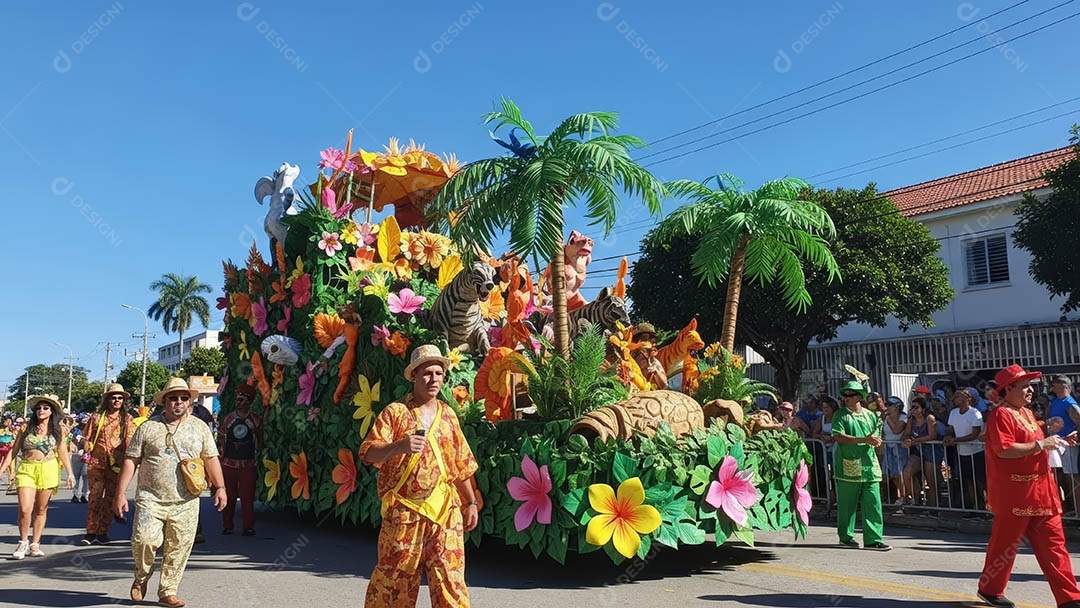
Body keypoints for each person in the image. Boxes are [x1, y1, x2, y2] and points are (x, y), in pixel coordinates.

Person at [359, 344, 480, 607]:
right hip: (404, 512)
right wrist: (399, 446)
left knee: (451, 581)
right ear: (413, 376)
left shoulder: (448, 415)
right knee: (394, 582)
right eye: (427, 373)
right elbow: (368, 453)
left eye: (438, 373)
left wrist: (470, 503)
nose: (434, 379)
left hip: (446, 512)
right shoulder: (395, 413)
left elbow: (460, 464)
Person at [115, 377, 227, 607]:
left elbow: (211, 458)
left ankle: (168, 591)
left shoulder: (200, 428)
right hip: (150, 498)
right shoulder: (148, 427)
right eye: (173, 398)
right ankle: (141, 577)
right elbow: (131, 460)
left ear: (189, 402)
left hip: (187, 499)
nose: (178, 402)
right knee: (143, 540)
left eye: (183, 398)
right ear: (164, 402)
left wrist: (220, 487)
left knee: (179, 547)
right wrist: (120, 493)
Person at [977, 364, 1080, 608]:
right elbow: (1004, 450)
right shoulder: (1001, 415)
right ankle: (990, 589)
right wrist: (1042, 445)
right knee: (1005, 546)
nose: (1031, 390)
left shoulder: (1026, 413)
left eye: (1030, 386)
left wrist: (1060, 440)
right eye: (1025, 386)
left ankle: (1070, 599)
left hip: (1042, 492)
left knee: (1055, 546)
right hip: (1015, 495)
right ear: (1007, 390)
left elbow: (1037, 442)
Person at [0, 395, 74, 559]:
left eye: (45, 408)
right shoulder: (26, 428)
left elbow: (62, 451)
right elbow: (13, 450)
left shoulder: (58, 429)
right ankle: (23, 541)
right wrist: (1, 469)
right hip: (27, 468)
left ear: (51, 411)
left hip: (48, 468)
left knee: (41, 509)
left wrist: (70, 473)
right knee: (25, 508)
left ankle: (35, 543)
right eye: (38, 408)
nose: (41, 410)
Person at [831, 381, 890, 551]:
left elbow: (876, 438)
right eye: (845, 395)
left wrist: (876, 440)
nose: (846, 398)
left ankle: (873, 539)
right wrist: (864, 440)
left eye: (850, 395)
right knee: (847, 504)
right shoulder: (840, 415)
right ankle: (846, 537)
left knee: (873, 502)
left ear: (859, 397)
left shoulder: (870, 416)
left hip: (869, 465)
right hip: (849, 464)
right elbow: (839, 437)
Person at [80, 384, 135, 545]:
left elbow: (131, 441)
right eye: (113, 397)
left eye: (120, 398)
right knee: (95, 497)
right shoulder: (97, 417)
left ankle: (103, 532)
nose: (117, 400)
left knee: (111, 498)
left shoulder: (127, 419)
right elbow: (85, 437)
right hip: (97, 464)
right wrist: (84, 444)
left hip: (117, 466)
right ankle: (90, 532)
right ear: (107, 399)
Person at [218, 383, 262, 536]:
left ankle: (248, 526)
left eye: (244, 400)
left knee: (247, 496)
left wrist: (258, 454)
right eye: (238, 400)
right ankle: (227, 524)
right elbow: (221, 440)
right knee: (229, 496)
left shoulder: (255, 420)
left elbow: (260, 440)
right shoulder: (229, 419)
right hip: (229, 463)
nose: (240, 403)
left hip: (248, 464)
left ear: (249, 402)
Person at [944, 388, 986, 510]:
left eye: (958, 396)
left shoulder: (975, 413)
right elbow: (950, 428)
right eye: (955, 396)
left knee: (979, 481)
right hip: (962, 453)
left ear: (968, 399)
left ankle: (984, 508)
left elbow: (974, 435)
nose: (955, 398)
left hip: (976, 452)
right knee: (968, 481)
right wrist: (947, 436)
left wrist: (955, 440)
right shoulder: (953, 412)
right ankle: (974, 507)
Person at [1047, 375, 1080, 516]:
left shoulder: (1070, 403)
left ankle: (1078, 511)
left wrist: (1073, 438)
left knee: (1074, 478)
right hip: (1058, 446)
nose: (1052, 386)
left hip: (1070, 446)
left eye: (1055, 384)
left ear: (1065, 386)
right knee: (1064, 478)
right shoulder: (1056, 402)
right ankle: (1072, 508)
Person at [901, 397, 940, 507]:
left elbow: (932, 436)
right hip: (917, 450)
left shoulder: (929, 418)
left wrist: (915, 441)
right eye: (912, 407)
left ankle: (934, 508)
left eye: (916, 407)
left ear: (923, 408)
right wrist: (906, 440)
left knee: (931, 481)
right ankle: (912, 498)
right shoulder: (911, 420)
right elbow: (906, 434)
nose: (913, 410)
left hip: (931, 450)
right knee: (907, 471)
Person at [882, 396, 909, 505]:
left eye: (889, 405)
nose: (886, 407)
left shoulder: (903, 417)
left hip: (899, 448)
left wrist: (888, 419)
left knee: (899, 473)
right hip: (889, 447)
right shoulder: (885, 417)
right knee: (892, 475)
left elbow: (897, 430)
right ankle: (900, 496)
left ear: (896, 407)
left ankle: (906, 496)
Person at [630, 323, 667, 389]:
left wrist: (655, 373)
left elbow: (664, 385)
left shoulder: (654, 362)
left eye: (649, 338)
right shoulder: (630, 355)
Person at [68, 414, 89, 503]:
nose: (84, 425)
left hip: (86, 456)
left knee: (86, 476)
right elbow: (70, 440)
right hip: (77, 454)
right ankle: (75, 494)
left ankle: (84, 495)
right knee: (77, 476)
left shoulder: (90, 431)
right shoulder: (75, 430)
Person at [0, 415, 16, 487]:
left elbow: (16, 440)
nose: (8, 422)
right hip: (1, 449)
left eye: (10, 421)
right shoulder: (1, 430)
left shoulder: (14, 430)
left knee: (11, 467)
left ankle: (11, 483)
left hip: (10, 450)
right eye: (7, 421)